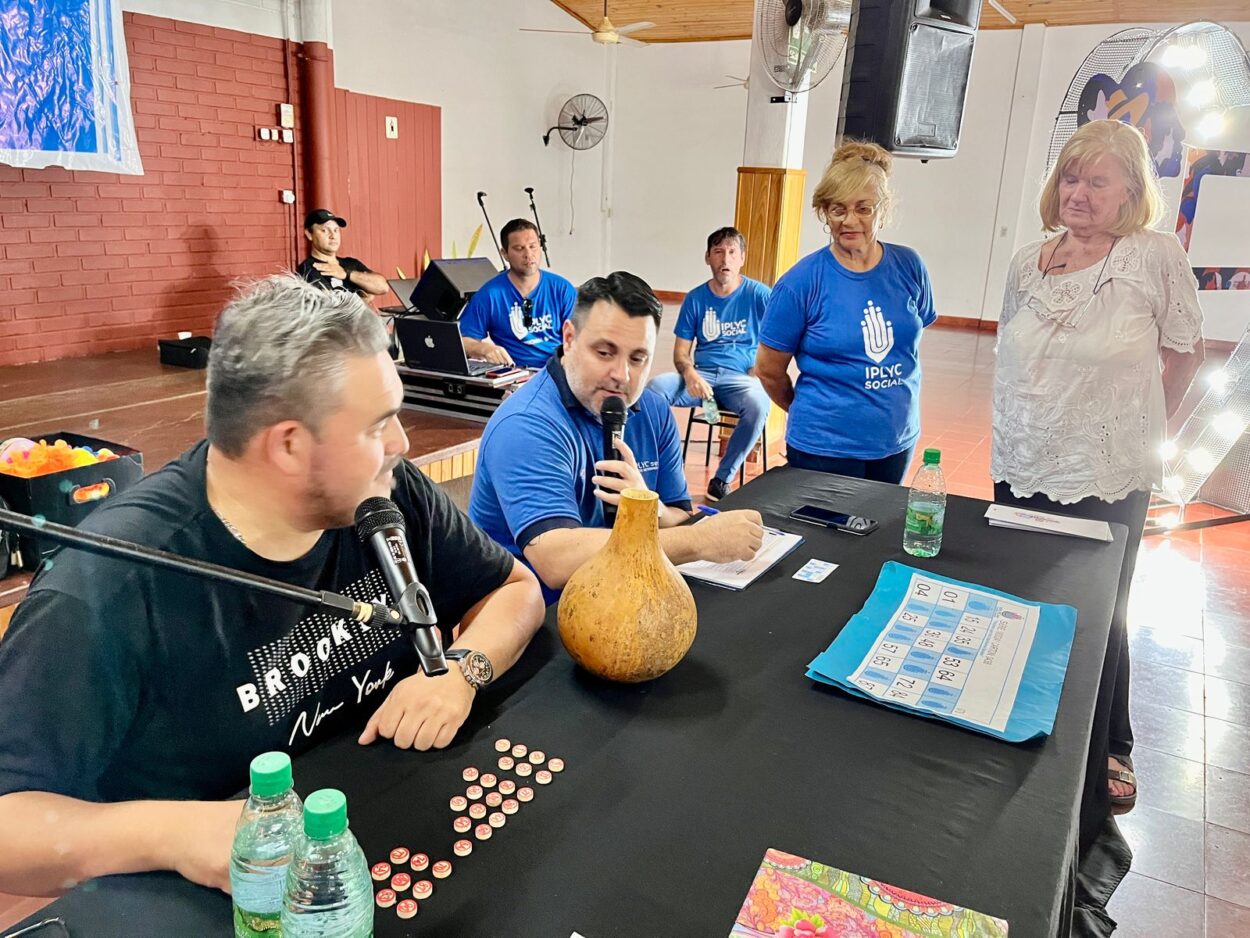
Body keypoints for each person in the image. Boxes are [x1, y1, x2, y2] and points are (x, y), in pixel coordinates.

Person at [0, 276, 545, 897]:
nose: (401, 443)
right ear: (288, 444)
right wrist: (171, 834)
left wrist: (463, 668)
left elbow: (514, 589)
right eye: (379, 425)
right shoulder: (104, 588)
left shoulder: (381, 491)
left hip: (382, 834)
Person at [991, 119, 1204, 834]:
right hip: (1022, 458)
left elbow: (1184, 353)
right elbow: (1015, 348)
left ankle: (1112, 741)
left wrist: (1146, 429)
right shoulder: (1028, 260)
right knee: (1026, 596)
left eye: (1098, 181)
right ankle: (1020, 717)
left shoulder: (1153, 257)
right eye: (1072, 179)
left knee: (1100, 608)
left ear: (1131, 192)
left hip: (1107, 468)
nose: (1079, 193)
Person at [469, 271, 765, 604]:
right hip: (533, 614)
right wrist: (697, 541)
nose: (621, 376)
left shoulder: (652, 409)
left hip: (621, 594)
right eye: (605, 353)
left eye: (638, 359)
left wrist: (648, 507)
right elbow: (555, 559)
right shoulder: (527, 424)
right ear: (568, 338)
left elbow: (680, 516)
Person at [755, 141, 937, 484]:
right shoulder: (800, 283)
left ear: (883, 209)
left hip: (896, 439)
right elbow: (768, 370)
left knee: (879, 532)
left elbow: (909, 343)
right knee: (825, 536)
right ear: (825, 213)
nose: (849, 220)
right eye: (838, 210)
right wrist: (807, 411)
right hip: (824, 446)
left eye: (863, 208)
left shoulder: (910, 266)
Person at [647, 227, 773, 502]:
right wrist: (691, 375)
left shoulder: (759, 295)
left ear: (742, 258)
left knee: (759, 404)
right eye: (718, 252)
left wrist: (763, 365)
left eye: (731, 252)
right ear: (707, 258)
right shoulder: (695, 298)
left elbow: (784, 334)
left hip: (740, 378)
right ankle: (661, 468)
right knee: (653, 391)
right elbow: (681, 352)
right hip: (701, 374)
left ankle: (722, 479)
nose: (725, 260)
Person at [458, 218, 577, 368]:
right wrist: (485, 349)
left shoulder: (562, 289)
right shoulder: (490, 294)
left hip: (558, 371)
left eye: (533, 246)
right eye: (519, 248)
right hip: (515, 375)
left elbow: (580, 337)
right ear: (505, 254)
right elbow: (463, 340)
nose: (528, 254)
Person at [296, 208, 389, 298]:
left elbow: (383, 287)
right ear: (309, 234)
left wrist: (347, 274)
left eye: (336, 230)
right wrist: (363, 298)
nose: (333, 236)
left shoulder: (351, 263)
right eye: (324, 230)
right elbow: (330, 307)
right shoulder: (308, 269)